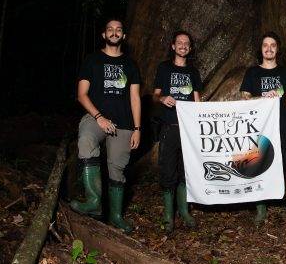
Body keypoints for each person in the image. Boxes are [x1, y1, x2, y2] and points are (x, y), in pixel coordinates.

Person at [71, 18, 141, 233]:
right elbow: (81, 94)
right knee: (86, 139)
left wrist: (137, 128)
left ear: (123, 36)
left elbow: (135, 98)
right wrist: (99, 117)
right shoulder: (92, 60)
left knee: (117, 169)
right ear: (104, 34)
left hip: (124, 123)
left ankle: (116, 216)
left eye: (118, 29)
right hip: (95, 117)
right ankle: (93, 202)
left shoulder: (130, 64)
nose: (114, 32)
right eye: (110, 29)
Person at [240, 32, 286, 224]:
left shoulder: (285, 72)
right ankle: (260, 206)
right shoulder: (252, 72)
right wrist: (262, 97)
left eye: (273, 45)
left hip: (282, 124)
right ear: (261, 49)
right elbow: (245, 98)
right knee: (258, 162)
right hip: (259, 126)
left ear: (277, 49)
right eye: (265, 45)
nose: (269, 48)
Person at [153, 31, 202, 233]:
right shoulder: (164, 68)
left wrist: (199, 123)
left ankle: (184, 211)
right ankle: (168, 214)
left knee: (186, 170)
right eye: (179, 42)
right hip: (169, 127)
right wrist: (162, 98)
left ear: (190, 48)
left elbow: (197, 100)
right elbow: (155, 95)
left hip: (188, 129)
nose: (183, 45)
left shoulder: (193, 72)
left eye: (186, 43)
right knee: (168, 169)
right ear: (173, 46)